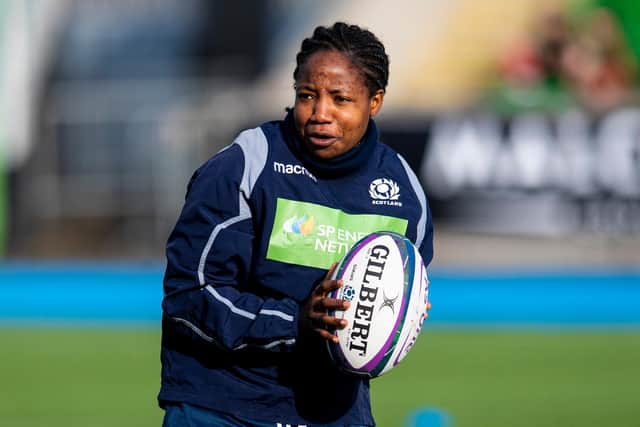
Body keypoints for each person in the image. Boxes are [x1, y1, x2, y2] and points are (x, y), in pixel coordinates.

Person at [159, 22, 434, 427]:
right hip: (221, 408)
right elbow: (189, 295)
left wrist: (401, 316)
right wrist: (297, 322)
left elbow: (405, 289)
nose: (320, 114)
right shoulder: (246, 165)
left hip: (335, 415)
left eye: (341, 99)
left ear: (374, 102)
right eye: (307, 96)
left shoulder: (404, 190)